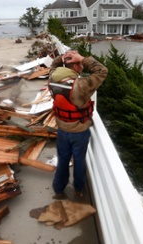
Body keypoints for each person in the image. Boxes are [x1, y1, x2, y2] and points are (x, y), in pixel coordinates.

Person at [48, 50, 108, 199]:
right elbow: (102, 70)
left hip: (62, 130)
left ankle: (58, 188)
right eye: (80, 65)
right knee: (79, 162)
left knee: (63, 160)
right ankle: (79, 189)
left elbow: (53, 66)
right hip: (79, 132)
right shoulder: (81, 85)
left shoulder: (52, 78)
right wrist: (82, 58)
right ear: (75, 67)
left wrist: (62, 58)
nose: (82, 67)